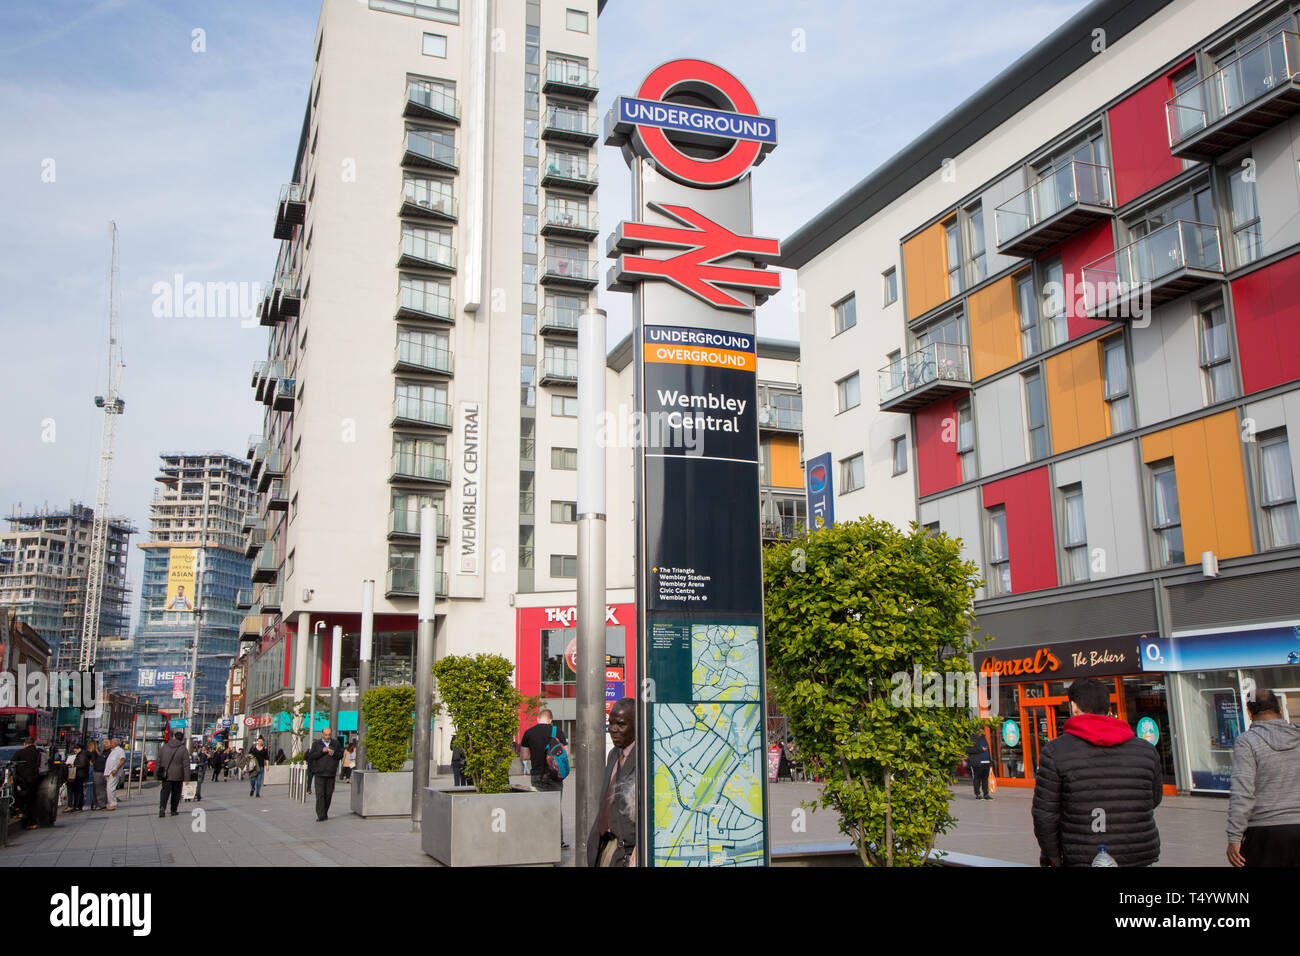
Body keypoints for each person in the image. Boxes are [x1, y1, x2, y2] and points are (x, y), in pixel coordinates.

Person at [1031, 677, 1162, 867]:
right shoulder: (1146, 751)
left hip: (1081, 855)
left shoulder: (1055, 752)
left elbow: (1045, 816)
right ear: (1107, 708)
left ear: (1074, 706)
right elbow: (1153, 799)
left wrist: (1053, 856)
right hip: (1138, 855)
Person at [1227, 689, 1300, 867]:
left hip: (1265, 833)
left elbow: (1242, 791)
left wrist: (1234, 837)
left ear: (1250, 714)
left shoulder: (1247, 742)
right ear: (1280, 709)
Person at [587, 698, 637, 867]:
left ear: (637, 724)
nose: (613, 730)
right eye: (611, 724)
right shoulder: (614, 754)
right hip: (605, 844)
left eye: (621, 724)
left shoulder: (644, 756)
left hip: (628, 850)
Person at [520, 708, 568, 849]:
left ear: (538, 719)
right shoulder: (557, 732)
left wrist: (535, 755)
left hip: (536, 775)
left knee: (539, 807)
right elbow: (565, 753)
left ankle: (539, 838)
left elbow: (524, 756)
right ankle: (558, 841)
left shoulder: (529, 733)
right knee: (555, 808)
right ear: (550, 720)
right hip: (554, 776)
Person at [306, 726, 343, 821]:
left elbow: (340, 755)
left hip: (331, 773)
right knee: (320, 794)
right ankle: (321, 815)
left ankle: (325, 812)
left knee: (328, 795)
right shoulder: (317, 744)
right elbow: (311, 756)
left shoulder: (336, 743)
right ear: (322, 734)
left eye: (329, 735)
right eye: (325, 735)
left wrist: (333, 753)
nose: (327, 736)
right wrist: (321, 751)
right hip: (319, 773)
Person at [10, 736, 42, 829]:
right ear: (34, 743)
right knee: (32, 799)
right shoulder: (38, 752)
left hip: (24, 779)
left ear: (25, 744)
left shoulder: (20, 752)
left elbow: (12, 762)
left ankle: (21, 814)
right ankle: (32, 821)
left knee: (21, 796)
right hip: (35, 778)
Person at [156, 730, 189, 817]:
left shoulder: (164, 747)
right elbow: (186, 765)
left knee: (164, 792)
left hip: (166, 775)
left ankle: (162, 807)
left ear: (174, 737)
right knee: (176, 793)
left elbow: (158, 761)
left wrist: (156, 775)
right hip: (178, 775)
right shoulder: (183, 749)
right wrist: (187, 778)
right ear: (182, 739)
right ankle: (173, 810)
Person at [966, 732, 993, 800]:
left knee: (985, 778)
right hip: (977, 762)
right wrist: (980, 749)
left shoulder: (983, 738)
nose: (982, 731)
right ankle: (978, 794)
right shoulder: (971, 738)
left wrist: (990, 761)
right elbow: (968, 750)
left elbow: (988, 749)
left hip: (986, 762)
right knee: (977, 778)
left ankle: (986, 794)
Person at [102, 736, 127, 811]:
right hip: (109, 773)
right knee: (108, 788)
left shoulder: (120, 750)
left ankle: (113, 804)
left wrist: (116, 769)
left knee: (110, 788)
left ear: (115, 743)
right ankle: (111, 803)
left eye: (112, 742)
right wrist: (106, 773)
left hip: (114, 772)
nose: (110, 744)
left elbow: (123, 760)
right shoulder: (112, 751)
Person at [69, 743, 89, 812]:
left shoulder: (82, 755)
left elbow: (82, 764)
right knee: (78, 790)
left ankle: (78, 805)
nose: (75, 752)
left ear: (79, 749)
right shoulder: (81, 755)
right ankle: (77, 805)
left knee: (79, 790)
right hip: (80, 774)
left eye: (75, 751)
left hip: (80, 774)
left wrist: (75, 766)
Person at [88, 738, 107, 810]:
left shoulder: (92, 753)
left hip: (95, 771)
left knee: (96, 788)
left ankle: (97, 803)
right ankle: (97, 803)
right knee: (99, 788)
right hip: (98, 771)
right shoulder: (98, 752)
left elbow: (92, 762)